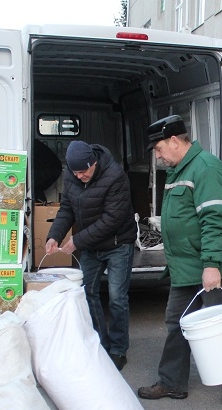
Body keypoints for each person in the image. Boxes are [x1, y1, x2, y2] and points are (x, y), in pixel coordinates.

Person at [137, 115, 222, 407]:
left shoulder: (205, 168)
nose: (158, 154)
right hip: (185, 265)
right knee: (176, 322)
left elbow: (214, 220)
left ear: (175, 141)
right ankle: (172, 382)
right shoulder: (180, 170)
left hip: (209, 265)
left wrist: (212, 265)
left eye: (159, 148)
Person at [46, 140, 137, 371]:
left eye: (84, 171)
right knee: (87, 292)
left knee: (117, 298)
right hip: (91, 247)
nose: (80, 176)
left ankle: (118, 349)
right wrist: (54, 235)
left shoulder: (115, 176)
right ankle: (100, 343)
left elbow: (111, 220)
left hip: (118, 244)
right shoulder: (72, 176)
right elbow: (66, 208)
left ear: (94, 163)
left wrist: (77, 241)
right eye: (75, 172)